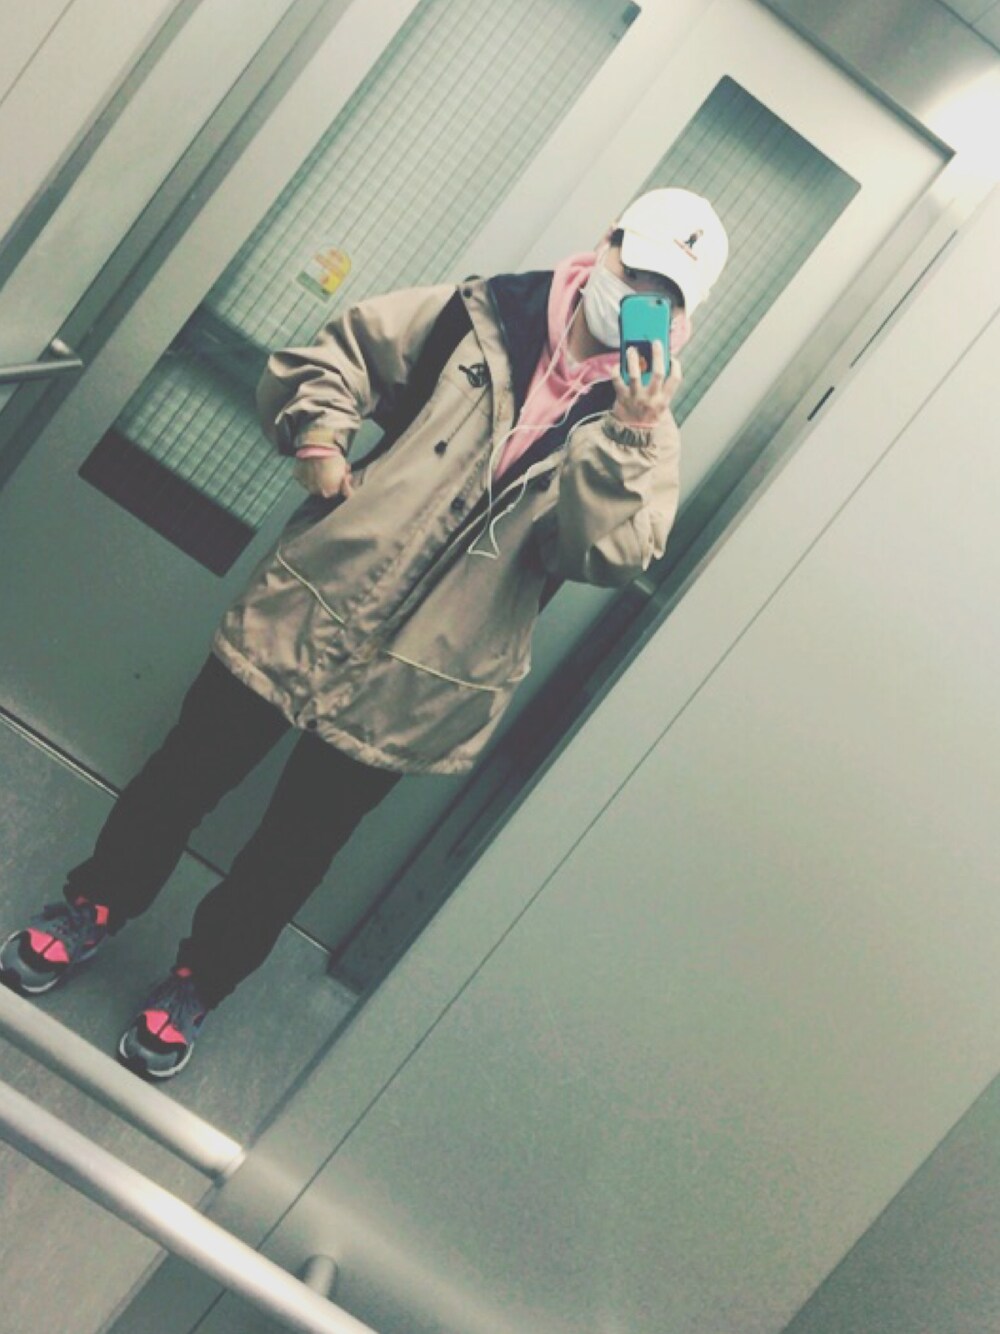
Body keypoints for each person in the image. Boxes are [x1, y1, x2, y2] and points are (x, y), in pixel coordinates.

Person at [0, 188, 728, 1079]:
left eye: (666, 293)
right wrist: (319, 439)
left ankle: (200, 982)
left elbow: (602, 553)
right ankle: (95, 904)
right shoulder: (479, 316)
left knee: (293, 854)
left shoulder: (645, 432)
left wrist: (631, 435)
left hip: (425, 678)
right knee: (183, 772)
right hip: (314, 603)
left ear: (682, 316)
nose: (640, 295)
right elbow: (335, 358)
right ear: (607, 242)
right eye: (637, 269)